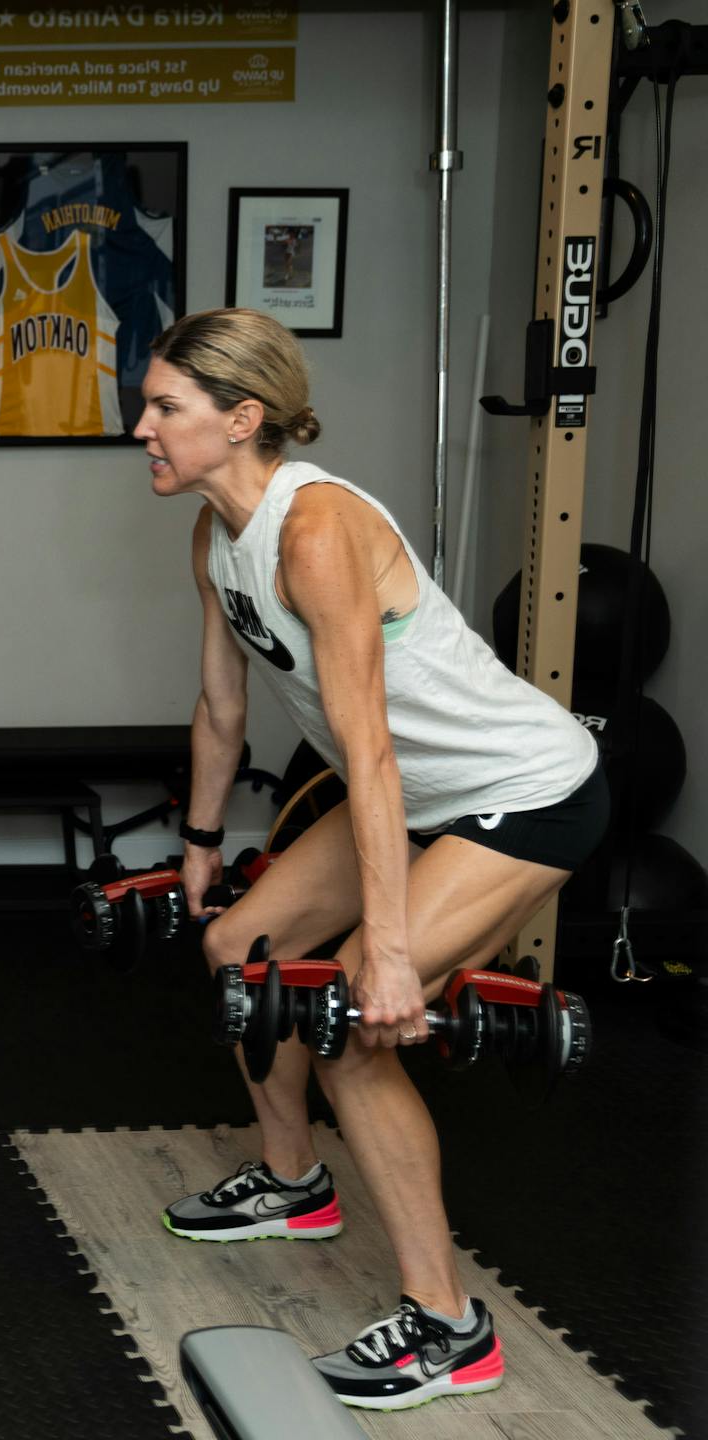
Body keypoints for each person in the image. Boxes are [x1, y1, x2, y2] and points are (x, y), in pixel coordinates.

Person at [136, 308, 605, 1412]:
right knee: (236, 945)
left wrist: (389, 955)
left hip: (522, 794)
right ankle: (297, 1183)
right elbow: (220, 703)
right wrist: (202, 845)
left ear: (242, 417)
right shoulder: (215, 537)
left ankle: (451, 1328)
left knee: (350, 1022)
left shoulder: (316, 532)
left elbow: (369, 745)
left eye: (166, 408)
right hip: (417, 796)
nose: (142, 430)